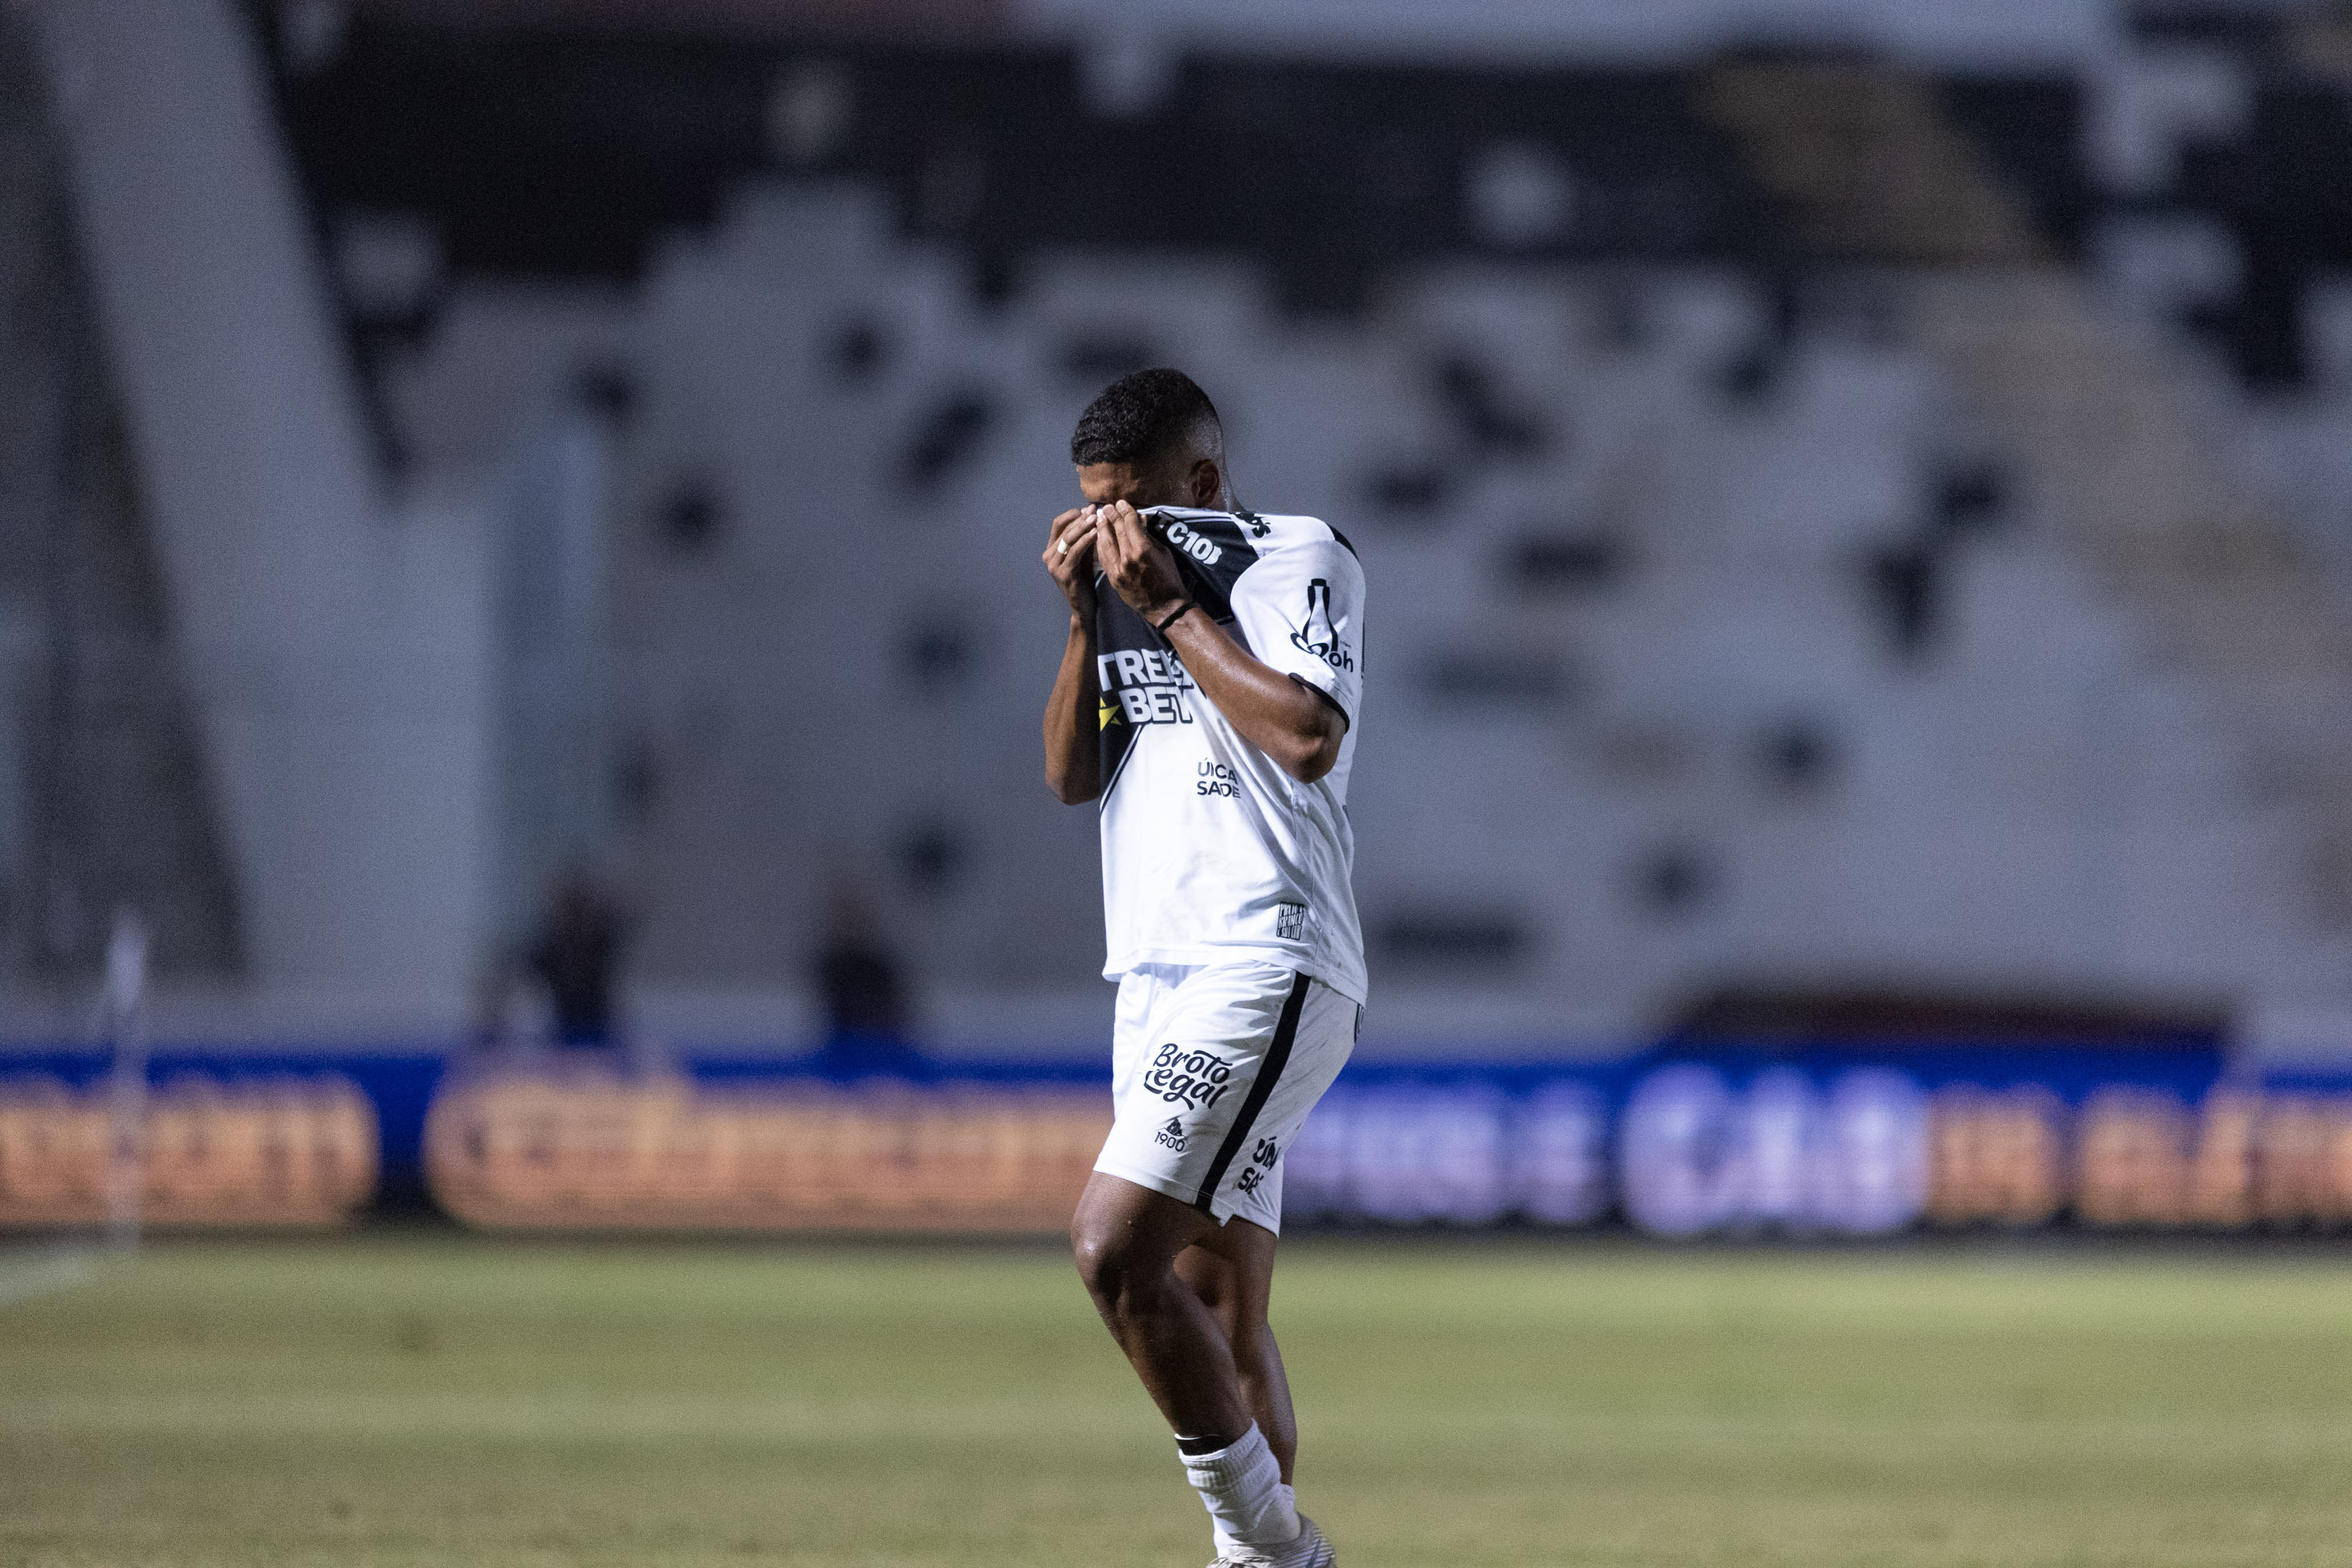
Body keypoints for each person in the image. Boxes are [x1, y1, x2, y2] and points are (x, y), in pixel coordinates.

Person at [1040, 368, 1366, 1568]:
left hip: (1265, 953)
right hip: (1158, 972)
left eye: (1134, 504)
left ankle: (1276, 1550)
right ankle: (1263, 1556)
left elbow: (1307, 734)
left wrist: (1172, 610)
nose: (1116, 532)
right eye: (1093, 509)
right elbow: (1075, 778)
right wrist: (1089, 618)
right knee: (1222, 1311)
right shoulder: (1126, 584)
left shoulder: (1296, 559)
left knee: (1110, 1250)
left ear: (1207, 483)